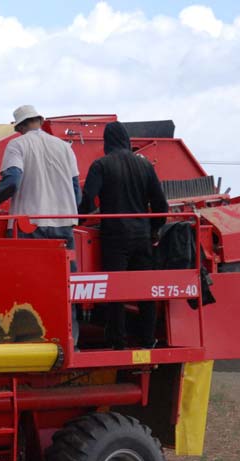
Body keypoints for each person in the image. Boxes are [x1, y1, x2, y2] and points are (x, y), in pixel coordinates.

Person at [81, 121, 169, 349]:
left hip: (114, 237)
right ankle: (148, 339)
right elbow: (161, 203)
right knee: (144, 290)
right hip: (142, 236)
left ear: (106, 142)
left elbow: (88, 198)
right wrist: (154, 229)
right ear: (127, 140)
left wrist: (80, 219)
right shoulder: (145, 166)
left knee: (115, 291)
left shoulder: (100, 165)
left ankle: (117, 342)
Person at [0, 105, 81, 245]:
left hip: (28, 224)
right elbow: (76, 192)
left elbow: (12, 181)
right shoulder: (65, 147)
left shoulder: (17, 144)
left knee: (27, 267)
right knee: (64, 266)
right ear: (40, 121)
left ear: (19, 127)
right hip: (64, 223)